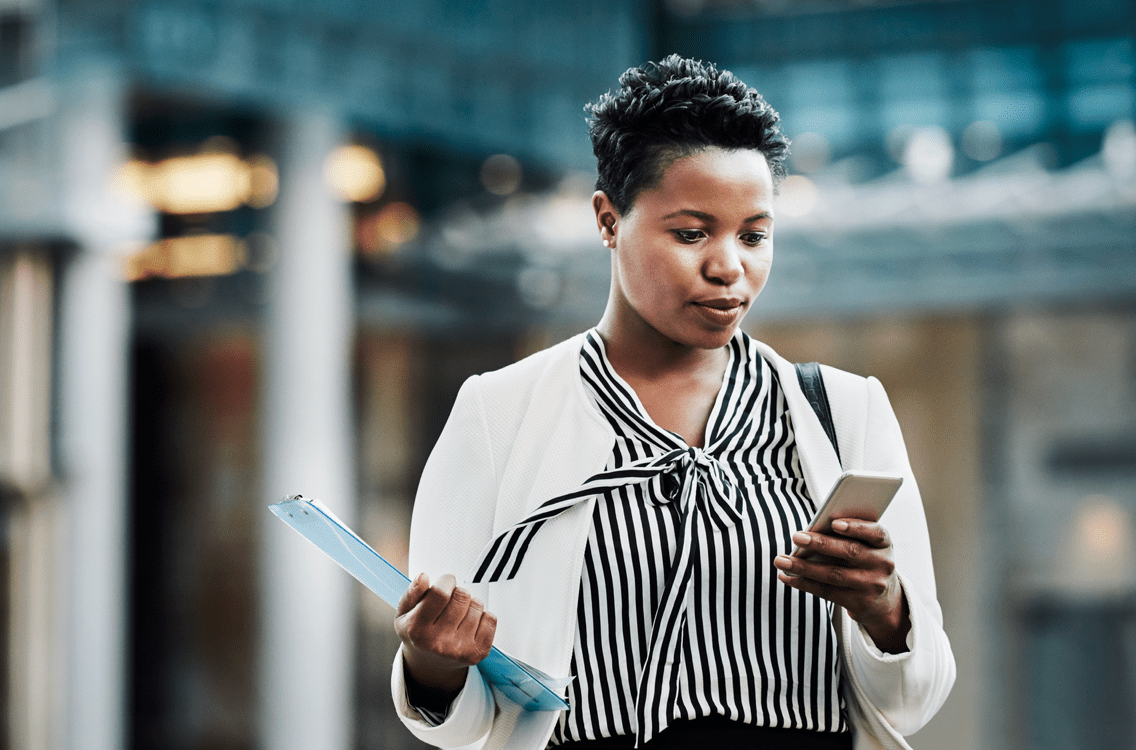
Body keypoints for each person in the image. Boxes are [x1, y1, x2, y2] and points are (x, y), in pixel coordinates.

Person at [390, 55, 955, 750]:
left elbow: (914, 699)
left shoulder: (844, 412)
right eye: (691, 233)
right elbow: (471, 718)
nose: (729, 267)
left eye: (754, 234)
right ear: (607, 219)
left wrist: (884, 610)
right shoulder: (496, 415)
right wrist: (432, 665)